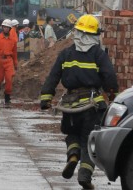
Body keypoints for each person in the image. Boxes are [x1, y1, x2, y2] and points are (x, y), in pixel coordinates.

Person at [40, 14, 118, 190]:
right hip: (91, 105)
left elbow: (53, 77)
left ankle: (73, 155)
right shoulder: (98, 54)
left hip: (69, 105)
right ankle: (84, 175)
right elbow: (109, 77)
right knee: (89, 140)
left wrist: (46, 98)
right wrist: (113, 94)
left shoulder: (66, 53)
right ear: (94, 35)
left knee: (71, 135)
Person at [0, 19, 18, 107]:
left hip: (9, 60)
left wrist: (15, 64)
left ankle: (7, 98)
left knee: (9, 79)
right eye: (5, 27)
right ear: (2, 27)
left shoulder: (13, 40)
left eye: (8, 27)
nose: (6, 29)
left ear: (10, 29)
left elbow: (14, 53)